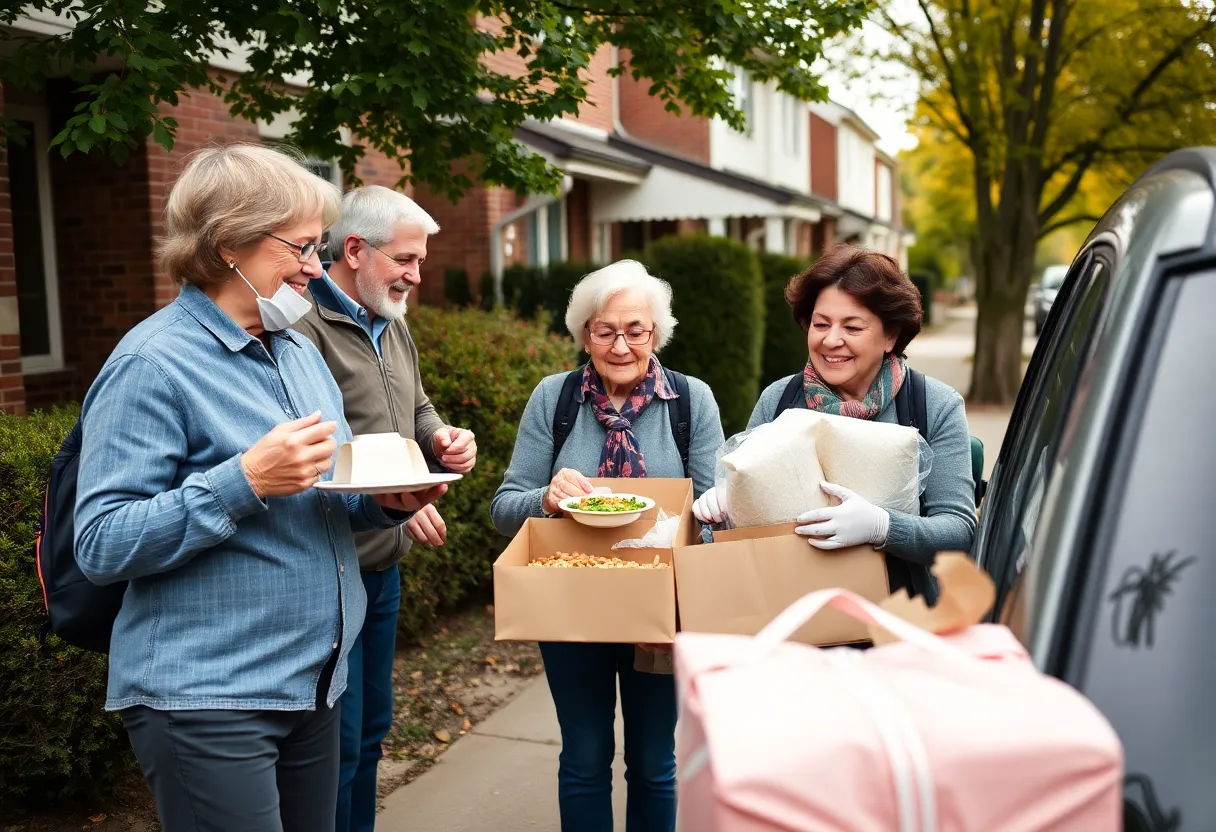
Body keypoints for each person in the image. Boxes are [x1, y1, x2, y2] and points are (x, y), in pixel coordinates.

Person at [73, 144, 447, 832]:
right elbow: (100, 543)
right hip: (208, 699)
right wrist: (243, 480)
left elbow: (320, 497)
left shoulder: (299, 351)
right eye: (302, 248)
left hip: (313, 685)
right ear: (228, 246)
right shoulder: (152, 364)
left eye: (319, 246)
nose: (315, 266)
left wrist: (384, 505)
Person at [491, 260, 724, 832]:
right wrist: (545, 498)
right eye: (604, 330)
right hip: (571, 605)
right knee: (585, 758)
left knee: (652, 761)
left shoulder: (691, 402)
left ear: (656, 333)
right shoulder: (555, 398)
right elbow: (503, 508)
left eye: (635, 330)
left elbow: (719, 518)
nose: (620, 345)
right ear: (584, 335)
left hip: (658, 609)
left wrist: (711, 512)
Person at [292, 185, 477, 832]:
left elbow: (415, 407)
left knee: (371, 732)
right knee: (335, 750)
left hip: (383, 567)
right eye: (405, 259)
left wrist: (438, 438)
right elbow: (316, 445)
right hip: (330, 572)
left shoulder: (393, 323)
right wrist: (395, 490)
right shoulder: (300, 332)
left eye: (419, 261)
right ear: (353, 250)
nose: (416, 275)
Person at [694, 245, 977, 601]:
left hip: (896, 620)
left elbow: (958, 530)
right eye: (821, 324)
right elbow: (738, 531)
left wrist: (883, 527)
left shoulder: (934, 405)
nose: (831, 340)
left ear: (890, 335)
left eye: (852, 327)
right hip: (791, 614)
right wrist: (723, 510)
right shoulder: (779, 399)